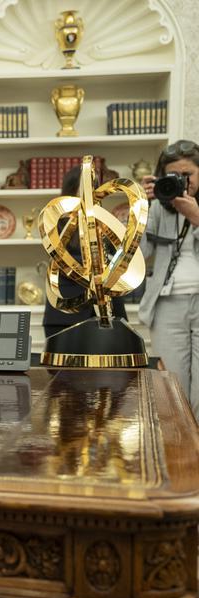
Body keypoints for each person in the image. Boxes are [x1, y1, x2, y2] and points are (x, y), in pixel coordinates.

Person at [139, 140, 199, 417]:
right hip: (167, 304)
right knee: (172, 386)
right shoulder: (158, 207)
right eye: (173, 175)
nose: (182, 181)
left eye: (187, 174)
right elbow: (140, 253)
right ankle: (179, 454)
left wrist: (195, 215)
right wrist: (141, 206)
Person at [42, 165, 128, 339]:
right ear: (73, 190)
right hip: (66, 314)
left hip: (107, 312)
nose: (93, 192)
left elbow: (120, 258)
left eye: (95, 186)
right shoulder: (57, 223)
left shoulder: (105, 222)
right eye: (88, 187)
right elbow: (66, 262)